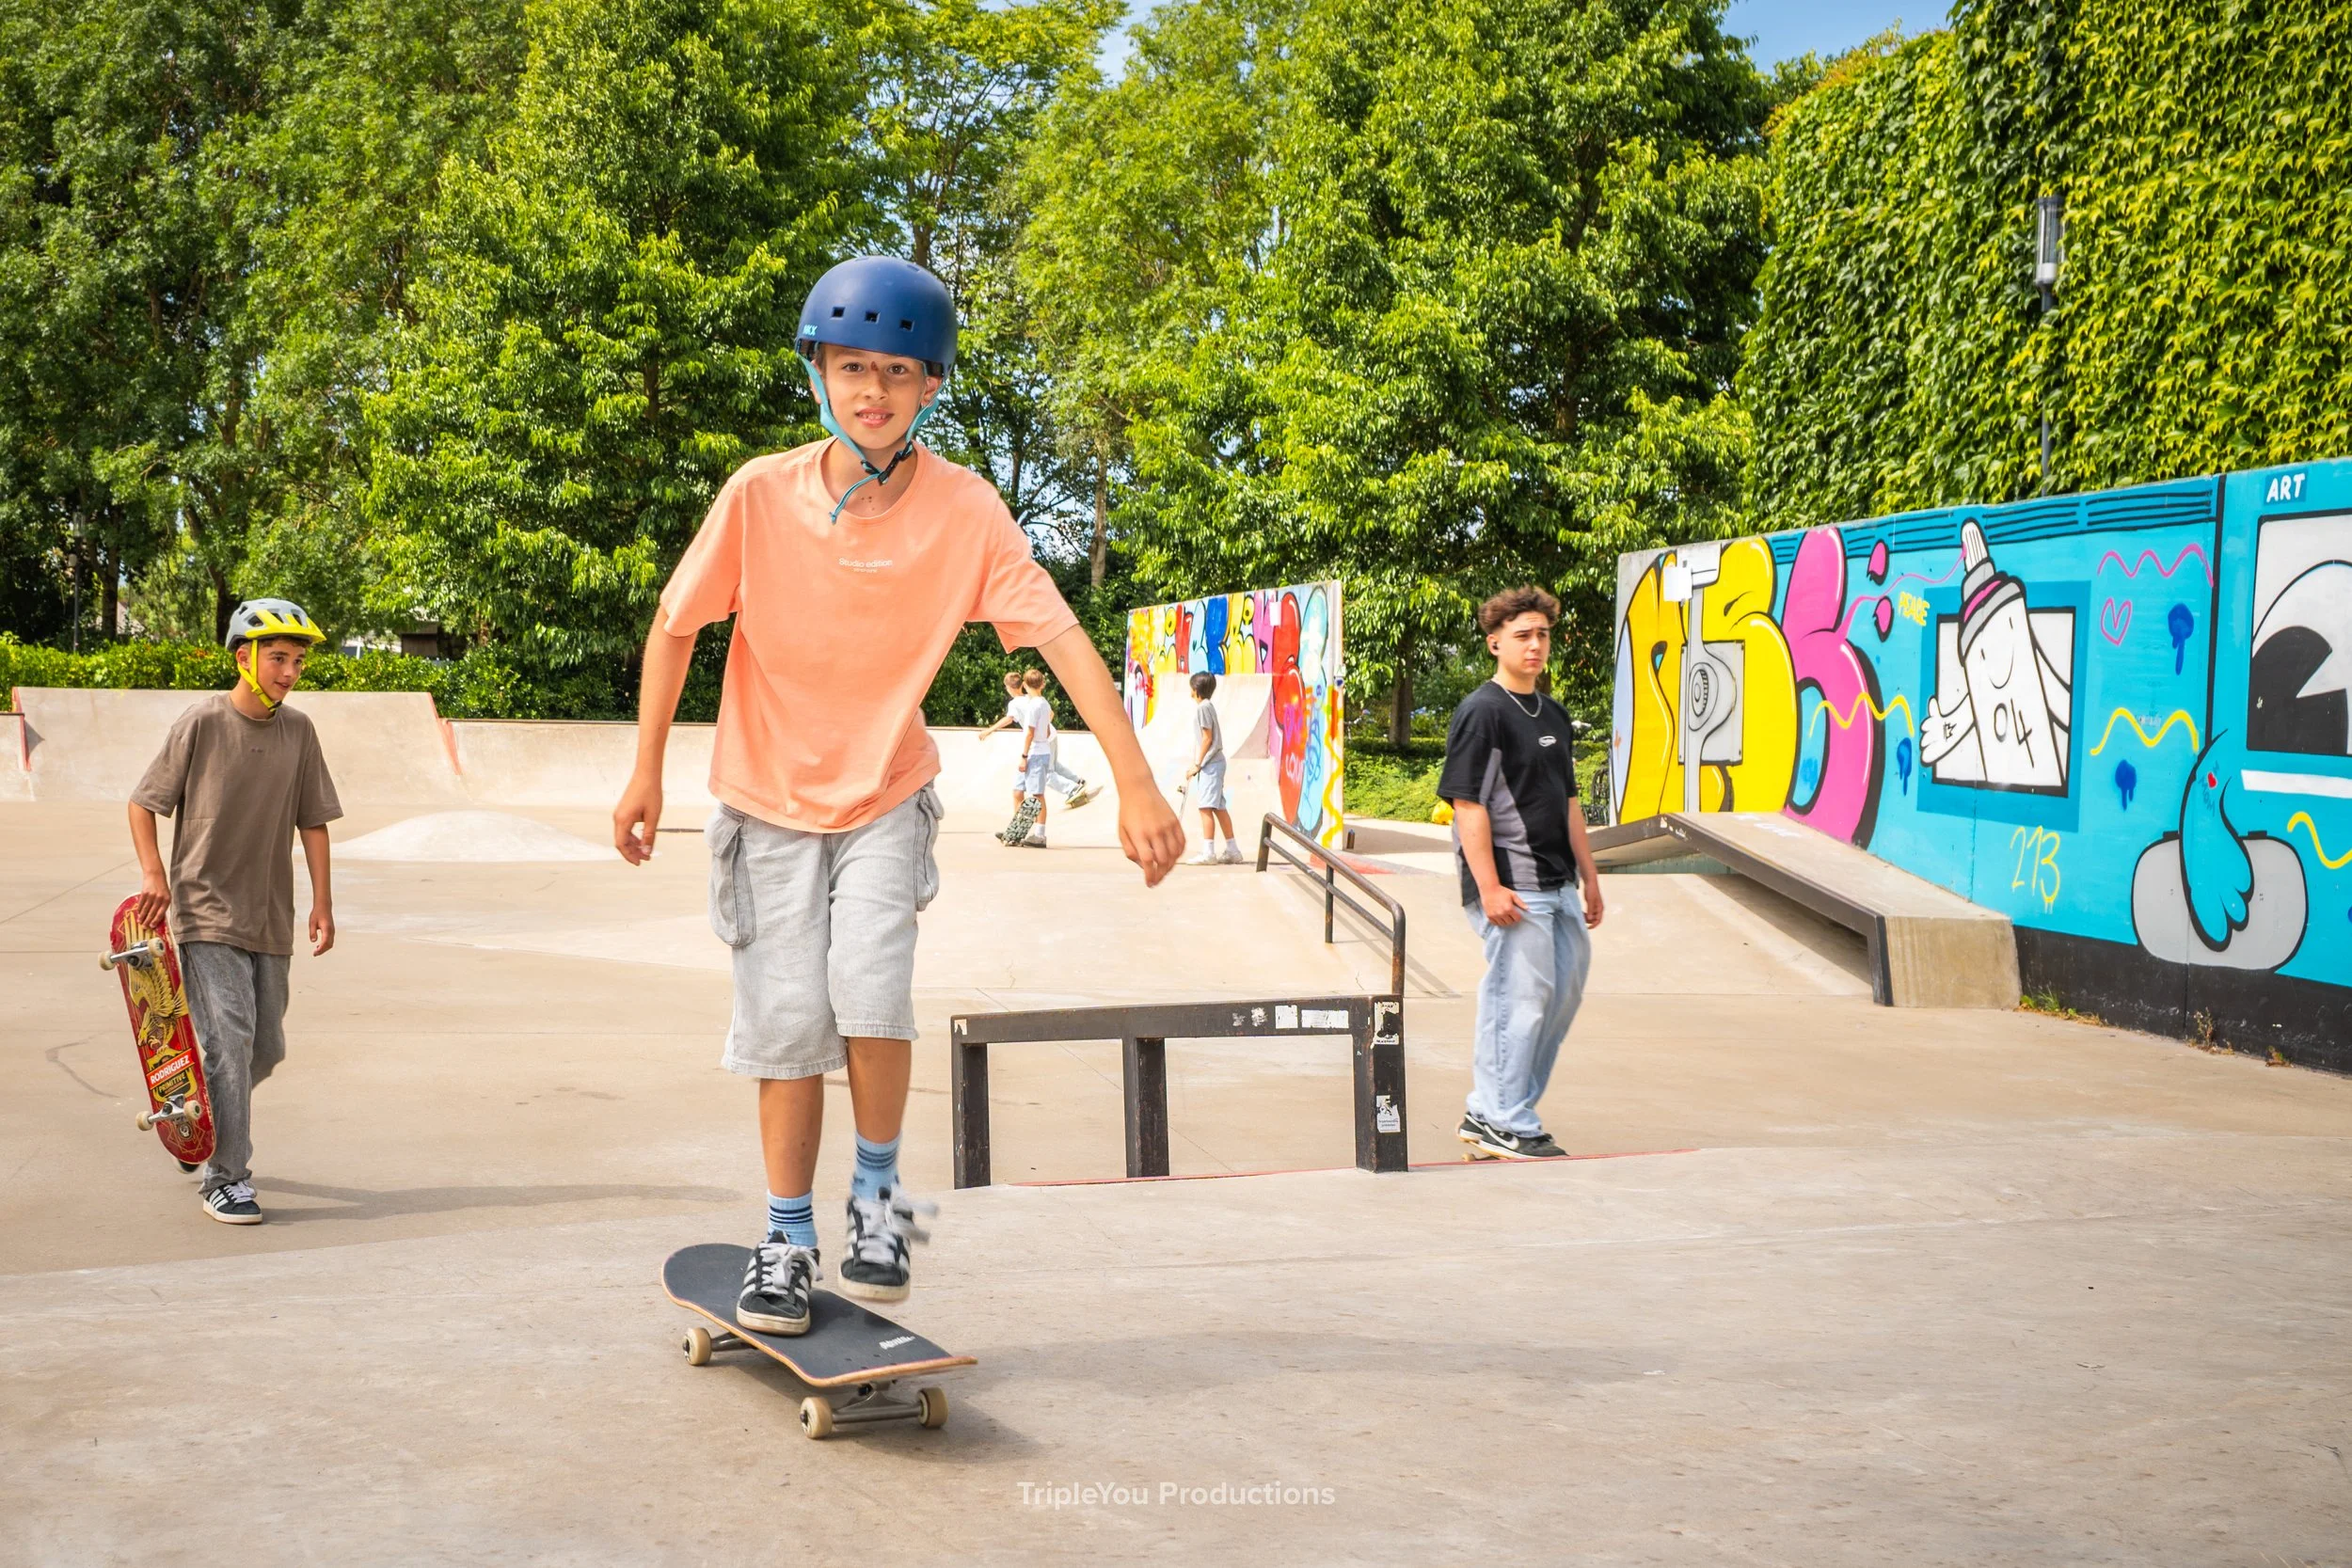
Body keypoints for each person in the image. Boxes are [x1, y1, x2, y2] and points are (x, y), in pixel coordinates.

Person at [612, 255, 1184, 1336]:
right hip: (763, 800)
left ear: (929, 387)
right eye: (851, 367)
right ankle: (785, 1236)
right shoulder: (756, 494)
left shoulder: (967, 510)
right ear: (819, 371)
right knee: (787, 1025)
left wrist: (1136, 782)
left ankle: (881, 1206)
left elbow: (1058, 635)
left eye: (897, 371)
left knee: (869, 994)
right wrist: (645, 768)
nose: (870, 390)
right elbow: (677, 624)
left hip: (883, 794)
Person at [127, 598, 342, 1224]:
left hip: (270, 914)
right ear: (243, 656)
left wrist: (323, 901)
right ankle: (226, 1176)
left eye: (298, 661)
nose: (290, 671)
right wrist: (152, 873)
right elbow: (144, 803)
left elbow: (315, 820)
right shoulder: (202, 723)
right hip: (204, 909)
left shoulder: (299, 731)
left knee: (265, 1047)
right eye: (279, 658)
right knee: (229, 1035)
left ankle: (200, 1116)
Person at [1435, 586, 1603, 1160]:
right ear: (1495, 643)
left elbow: (1570, 799)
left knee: (1556, 1001)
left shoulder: (1551, 711)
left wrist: (1592, 876)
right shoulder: (1483, 711)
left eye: (1543, 635)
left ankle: (1494, 1109)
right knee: (1518, 1001)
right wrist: (1488, 888)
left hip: (1560, 882)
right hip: (1513, 882)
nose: (1536, 645)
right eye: (1523, 635)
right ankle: (1504, 1117)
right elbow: (1466, 804)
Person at [1183, 671, 1241, 863]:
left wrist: (1197, 765)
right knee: (1218, 807)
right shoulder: (1208, 706)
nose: (1190, 691)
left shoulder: (1203, 708)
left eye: (1192, 688)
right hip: (1214, 762)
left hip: (1211, 763)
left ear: (1196, 689)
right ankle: (1233, 850)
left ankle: (1208, 852)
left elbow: (1207, 738)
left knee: (1206, 807)